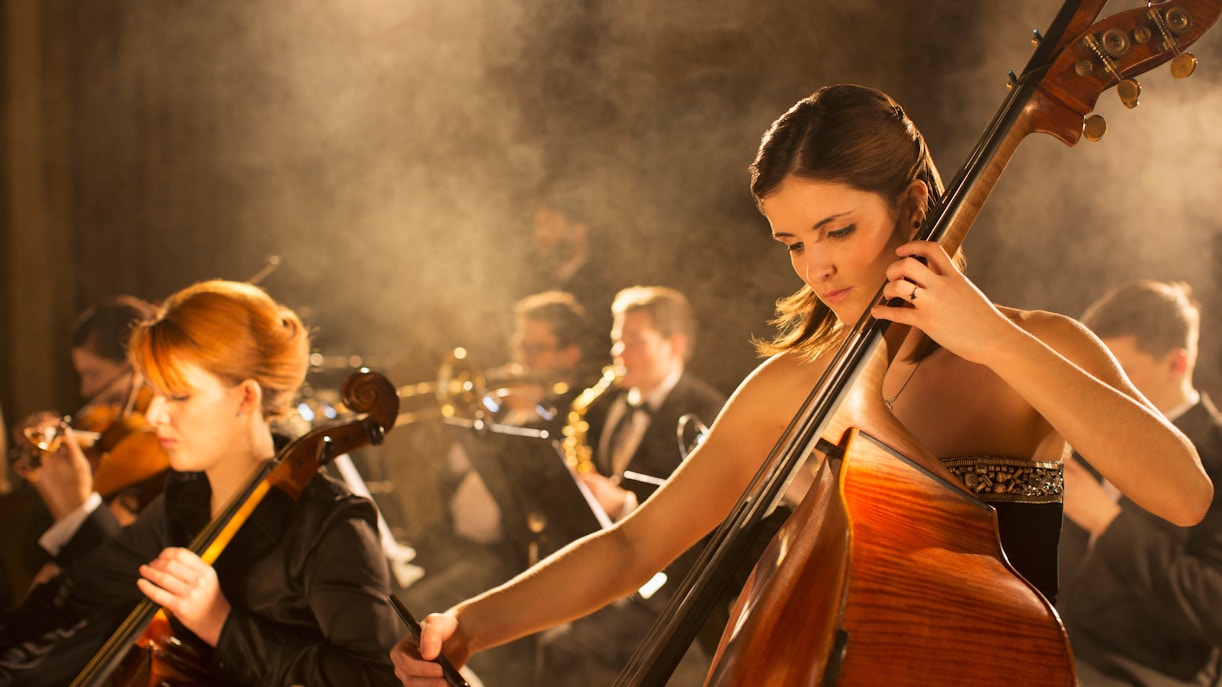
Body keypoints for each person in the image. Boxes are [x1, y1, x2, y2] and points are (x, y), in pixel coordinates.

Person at [390, 84, 1210, 686]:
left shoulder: (1038, 346)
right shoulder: (796, 386)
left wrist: (989, 335)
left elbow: (1182, 493)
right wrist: (469, 624)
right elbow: (635, 544)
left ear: (914, 203)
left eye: (837, 230)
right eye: (791, 243)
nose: (816, 266)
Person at [0, 280, 400, 686]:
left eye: (177, 396)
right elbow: (76, 595)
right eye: (153, 393)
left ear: (245, 397)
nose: (154, 414)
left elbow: (377, 679)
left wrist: (222, 625)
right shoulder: (184, 497)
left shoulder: (331, 524)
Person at [537, 285, 726, 686]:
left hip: (667, 592)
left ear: (674, 345)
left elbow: (702, 529)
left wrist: (623, 505)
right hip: (613, 567)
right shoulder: (612, 406)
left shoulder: (708, 414)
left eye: (635, 341)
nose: (619, 354)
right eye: (617, 341)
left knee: (560, 649)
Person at [1058, 280, 1222, 686]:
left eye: (1121, 370)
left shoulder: (1218, 457)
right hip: (1061, 639)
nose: (1101, 383)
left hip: (1143, 671)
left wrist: (1107, 521)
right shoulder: (1091, 424)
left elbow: (1215, 602)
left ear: (1176, 364)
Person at [3, 296, 165, 597]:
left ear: (133, 364)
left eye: (94, 374)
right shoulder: (103, 421)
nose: (85, 390)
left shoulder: (154, 431)